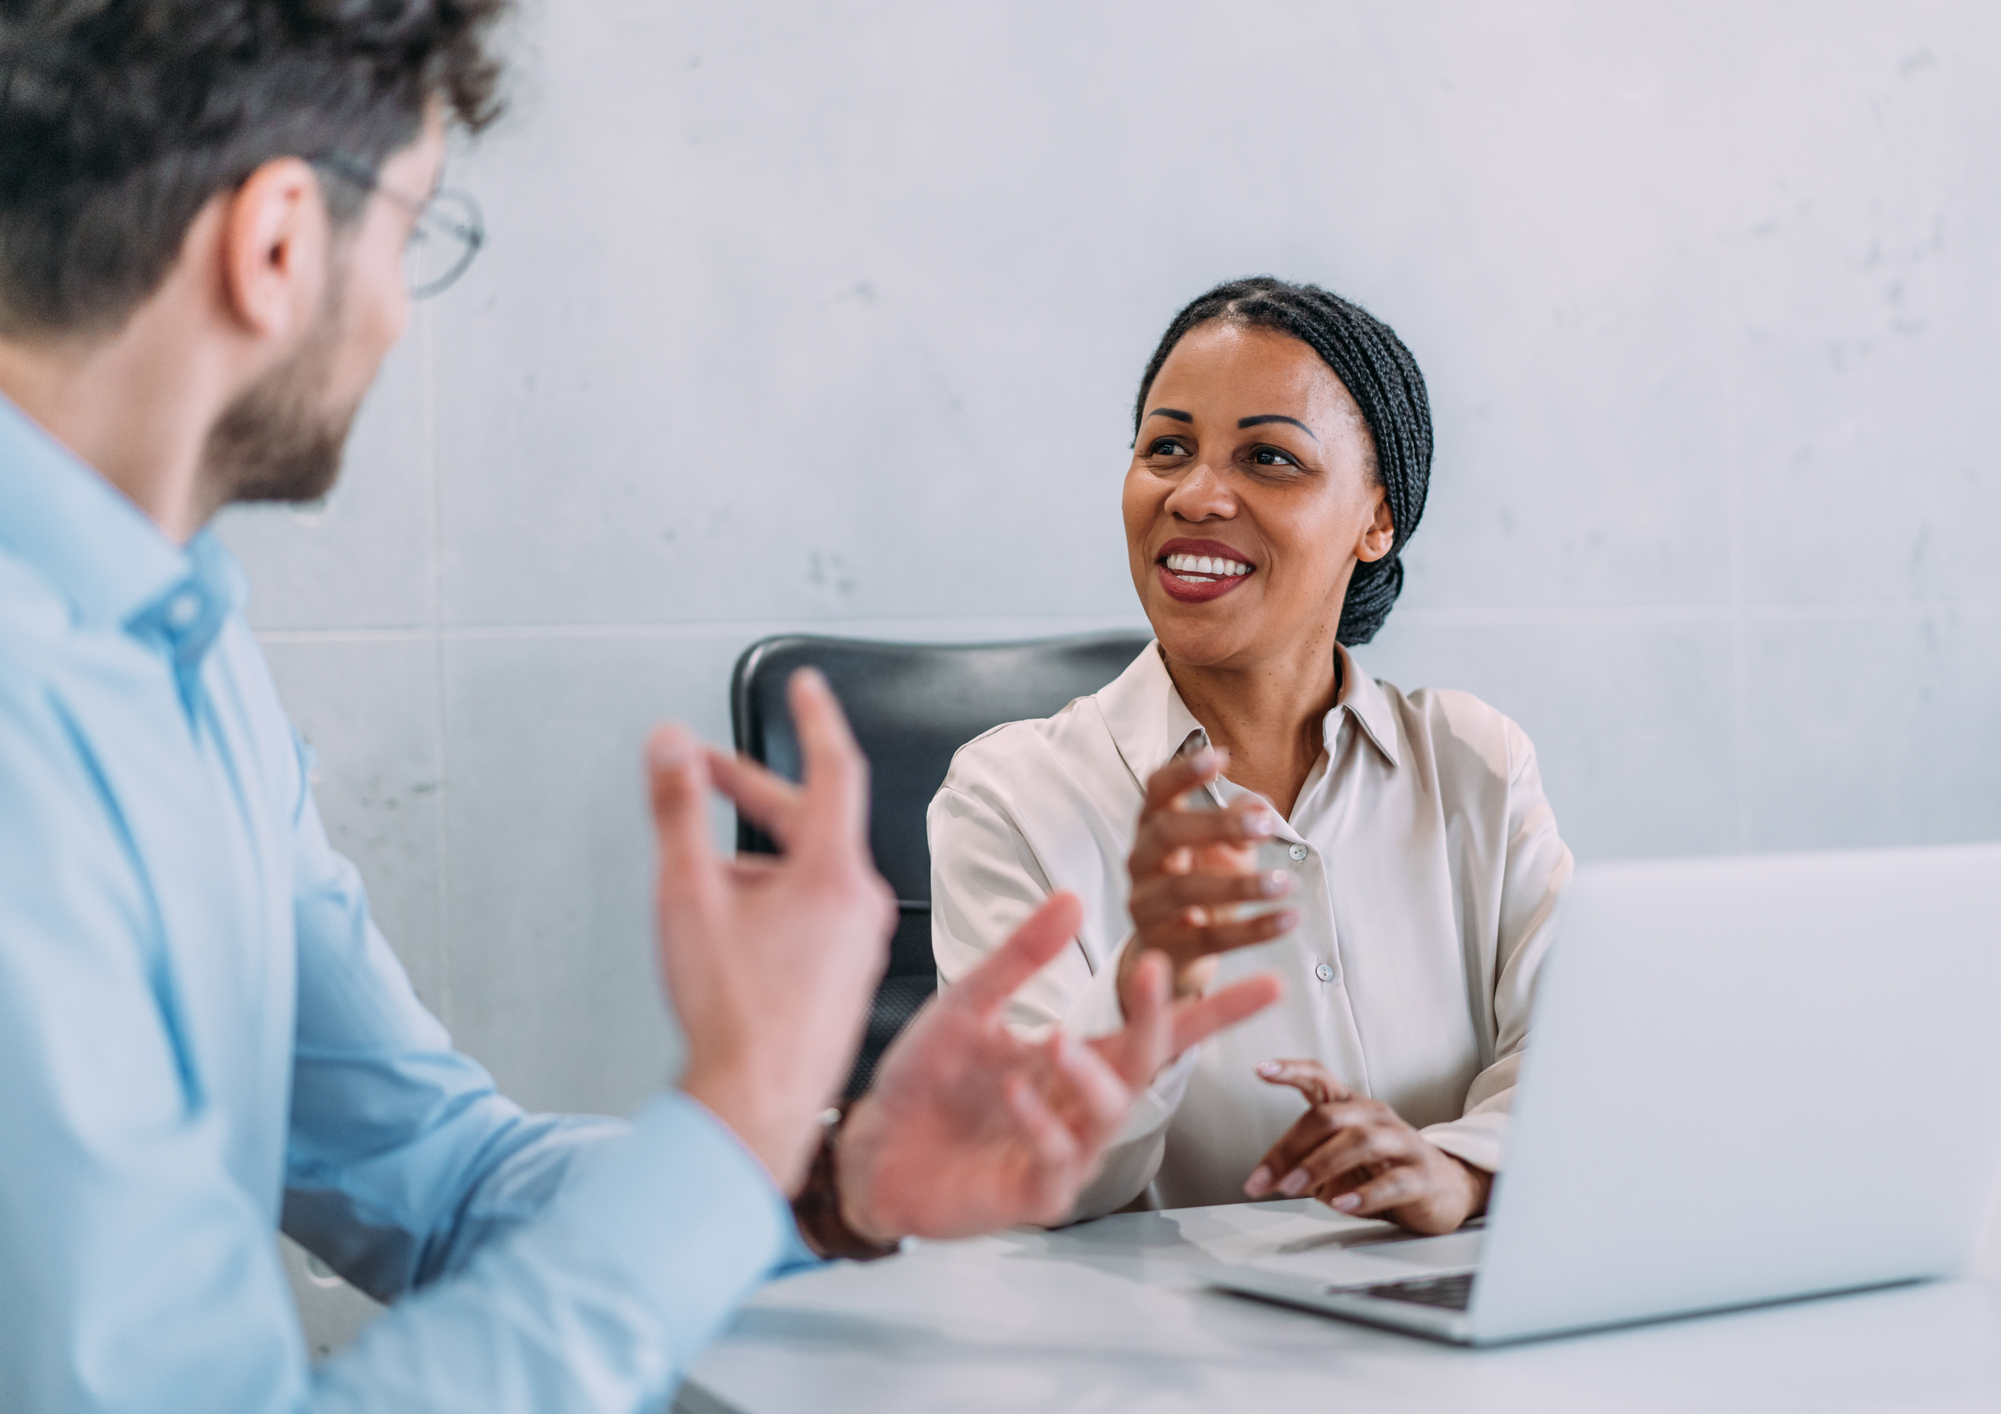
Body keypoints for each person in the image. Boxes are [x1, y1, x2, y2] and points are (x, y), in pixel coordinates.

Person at [0, 6, 1281, 1411]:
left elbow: (437, 1176)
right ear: (277, 245)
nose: (397, 316)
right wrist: (738, 1100)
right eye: (414, 235)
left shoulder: (183, 652)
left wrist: (820, 1175)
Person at [931, 276, 1575, 1234]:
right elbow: (1023, 1175)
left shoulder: (1474, 762)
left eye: (1269, 457)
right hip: (1150, 1330)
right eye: (1166, 449)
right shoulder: (1008, 798)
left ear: (1377, 521)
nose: (1193, 495)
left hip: (1444, 1314)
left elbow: (1572, 1053)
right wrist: (1150, 984)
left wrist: (1458, 1169)